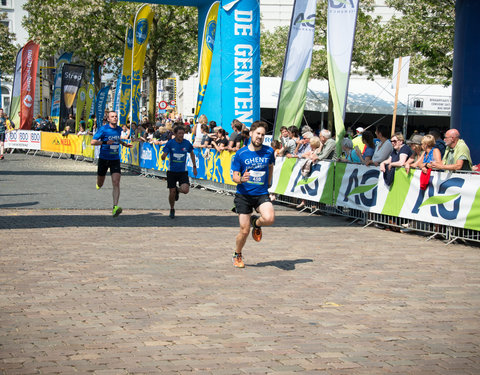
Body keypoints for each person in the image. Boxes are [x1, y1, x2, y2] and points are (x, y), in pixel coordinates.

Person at [231, 121, 275, 268]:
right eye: (258, 134)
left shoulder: (269, 151)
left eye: (263, 135)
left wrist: (269, 183)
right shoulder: (241, 153)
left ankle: (256, 222)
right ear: (251, 134)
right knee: (244, 231)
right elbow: (234, 176)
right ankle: (237, 254)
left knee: (269, 218)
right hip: (244, 195)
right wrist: (241, 179)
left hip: (261, 193)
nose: (260, 137)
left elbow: (270, 166)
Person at [91, 110, 133, 217]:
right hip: (104, 159)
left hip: (115, 159)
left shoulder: (119, 129)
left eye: (116, 116)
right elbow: (93, 142)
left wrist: (124, 144)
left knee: (116, 182)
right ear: (108, 119)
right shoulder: (103, 129)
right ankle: (98, 184)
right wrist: (104, 142)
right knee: (100, 183)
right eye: (112, 116)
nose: (115, 118)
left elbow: (117, 139)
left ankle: (115, 207)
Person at [161, 124, 197, 219]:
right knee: (171, 192)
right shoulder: (170, 143)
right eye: (180, 133)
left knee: (185, 190)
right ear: (175, 134)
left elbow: (192, 154)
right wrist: (163, 156)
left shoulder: (187, 143)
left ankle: (178, 190)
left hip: (182, 171)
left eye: (183, 133)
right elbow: (164, 154)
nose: (181, 135)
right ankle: (172, 209)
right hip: (172, 171)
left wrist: (194, 166)